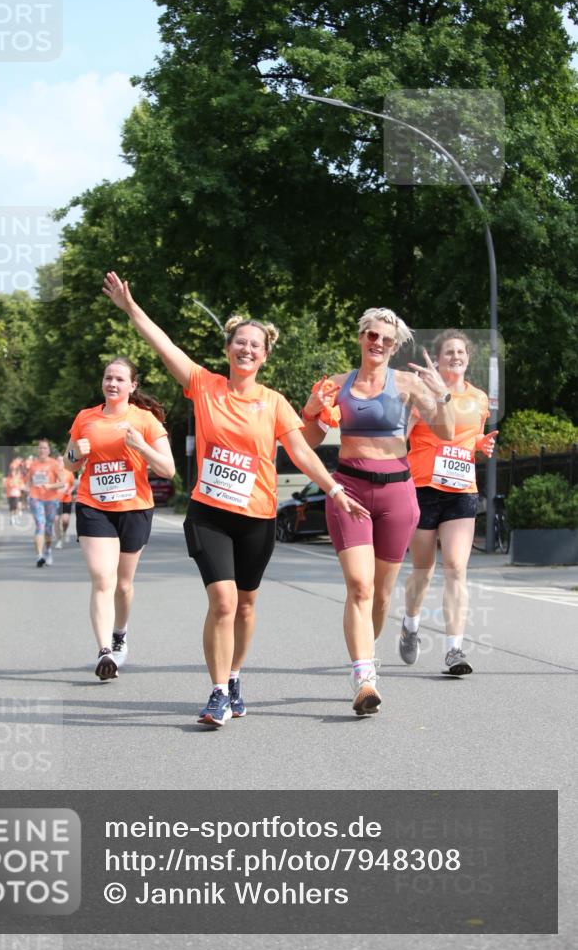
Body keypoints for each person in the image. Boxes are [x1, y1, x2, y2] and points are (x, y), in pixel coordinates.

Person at [102, 270, 368, 727]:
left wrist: (335, 488)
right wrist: (131, 308)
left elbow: (301, 451)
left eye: (255, 345)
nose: (246, 349)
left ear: (264, 355)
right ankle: (218, 692)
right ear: (228, 349)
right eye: (239, 342)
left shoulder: (274, 402)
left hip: (257, 518)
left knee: (246, 605)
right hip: (210, 514)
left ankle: (235, 675)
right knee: (223, 602)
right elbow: (164, 345)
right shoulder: (204, 385)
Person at [301, 308, 455, 716]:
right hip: (349, 490)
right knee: (359, 585)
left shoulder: (407, 384)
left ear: (395, 346)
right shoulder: (336, 385)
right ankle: (364, 677)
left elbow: (447, 431)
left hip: (397, 494)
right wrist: (313, 409)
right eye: (372, 335)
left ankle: (367, 658)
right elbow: (308, 441)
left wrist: (442, 394)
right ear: (361, 337)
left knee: (382, 595)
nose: (379, 343)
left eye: (387, 340)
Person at [65, 356, 175, 681]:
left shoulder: (145, 420)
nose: (112, 383)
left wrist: (141, 446)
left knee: (123, 586)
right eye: (108, 378)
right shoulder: (85, 418)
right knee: (103, 579)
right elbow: (69, 463)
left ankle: (120, 634)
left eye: (119, 379)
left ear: (132, 385)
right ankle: (104, 652)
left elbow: (168, 470)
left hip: (134, 508)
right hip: (94, 506)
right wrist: (76, 453)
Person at [400, 329, 497, 676]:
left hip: (461, 490)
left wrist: (481, 445)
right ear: (437, 360)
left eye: (461, 352)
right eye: (449, 352)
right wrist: (409, 422)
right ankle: (410, 623)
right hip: (423, 488)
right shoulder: (422, 395)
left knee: (456, 567)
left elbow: (469, 437)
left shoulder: (479, 398)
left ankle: (454, 649)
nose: (456, 357)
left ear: (468, 358)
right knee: (423, 571)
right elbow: (399, 439)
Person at [27, 440, 64, 567]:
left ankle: (48, 550)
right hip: (36, 498)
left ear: (48, 450)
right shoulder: (33, 465)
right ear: (37, 450)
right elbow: (29, 482)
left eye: (44, 448)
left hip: (51, 499)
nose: (42, 450)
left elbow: (62, 483)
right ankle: (39, 556)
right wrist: (27, 492)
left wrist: (50, 486)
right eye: (40, 448)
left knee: (48, 528)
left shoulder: (54, 464)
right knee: (40, 525)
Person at [53, 455, 75, 549]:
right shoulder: (53, 473)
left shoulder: (69, 473)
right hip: (55, 500)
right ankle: (59, 540)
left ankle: (64, 532)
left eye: (61, 461)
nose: (60, 463)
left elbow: (73, 485)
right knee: (56, 520)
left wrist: (70, 491)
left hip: (66, 499)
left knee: (65, 520)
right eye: (58, 461)